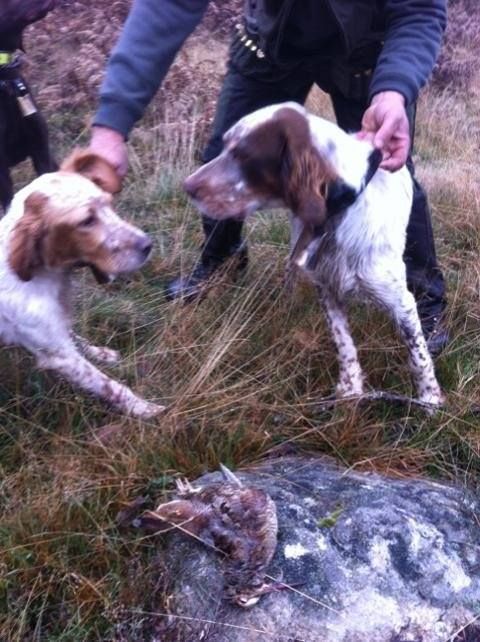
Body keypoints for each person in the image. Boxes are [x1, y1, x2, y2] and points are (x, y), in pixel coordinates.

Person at [89, 0, 449, 356]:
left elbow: (419, 9)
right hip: (269, 45)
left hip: (365, 54)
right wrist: (111, 124)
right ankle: (222, 261)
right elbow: (167, 6)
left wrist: (395, 89)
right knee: (221, 154)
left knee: (386, 168)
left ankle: (422, 296)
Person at [0, 0, 58, 212]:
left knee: (40, 145)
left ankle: (63, 207)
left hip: (10, 77)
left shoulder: (14, 80)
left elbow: (42, 154)